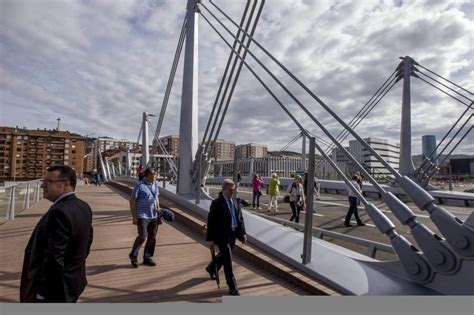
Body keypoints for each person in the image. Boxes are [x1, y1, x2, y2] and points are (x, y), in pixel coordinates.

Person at [20, 165, 93, 303]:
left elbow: (54, 257)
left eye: (48, 182)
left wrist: (42, 292)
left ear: (65, 185)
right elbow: (88, 241)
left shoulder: (59, 212)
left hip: (56, 290)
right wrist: (74, 265)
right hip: (74, 281)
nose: (42, 185)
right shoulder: (83, 206)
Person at [205, 179, 247, 296]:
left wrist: (242, 234)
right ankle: (232, 286)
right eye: (230, 190)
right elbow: (211, 221)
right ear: (224, 189)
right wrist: (210, 239)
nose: (232, 192)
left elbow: (240, 219)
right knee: (228, 260)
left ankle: (212, 267)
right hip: (222, 236)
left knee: (224, 257)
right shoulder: (217, 203)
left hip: (233, 235)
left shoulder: (236, 201)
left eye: (233, 190)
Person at [129, 167, 161, 268]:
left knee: (152, 237)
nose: (155, 176)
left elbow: (156, 197)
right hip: (142, 215)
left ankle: (147, 257)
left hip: (154, 215)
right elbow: (132, 200)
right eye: (154, 175)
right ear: (148, 175)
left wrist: (158, 207)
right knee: (143, 236)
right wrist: (134, 217)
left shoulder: (155, 184)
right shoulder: (139, 185)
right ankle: (133, 256)